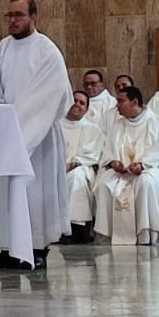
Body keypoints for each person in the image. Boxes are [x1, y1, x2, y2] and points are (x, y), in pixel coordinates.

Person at [0, 0, 72, 270]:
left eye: (18, 15)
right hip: (9, 134)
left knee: (37, 195)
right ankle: (10, 247)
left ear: (34, 16)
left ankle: (38, 248)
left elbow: (49, 94)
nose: (13, 20)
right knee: (10, 194)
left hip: (38, 135)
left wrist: (18, 130)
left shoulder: (47, 51)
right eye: (9, 15)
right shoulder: (3, 48)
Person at [93, 87, 159, 245]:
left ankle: (145, 234)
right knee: (104, 184)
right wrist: (113, 162)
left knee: (146, 183)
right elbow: (108, 150)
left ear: (134, 102)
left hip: (151, 169)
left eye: (120, 101)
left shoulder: (157, 122)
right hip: (123, 171)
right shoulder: (117, 125)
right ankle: (109, 235)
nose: (116, 105)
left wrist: (143, 165)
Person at [60, 91, 103, 244]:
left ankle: (75, 229)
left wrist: (71, 165)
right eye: (74, 100)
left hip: (80, 168)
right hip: (54, 170)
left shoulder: (92, 129)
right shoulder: (54, 126)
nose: (77, 104)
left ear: (86, 109)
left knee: (76, 177)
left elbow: (92, 155)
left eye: (81, 103)